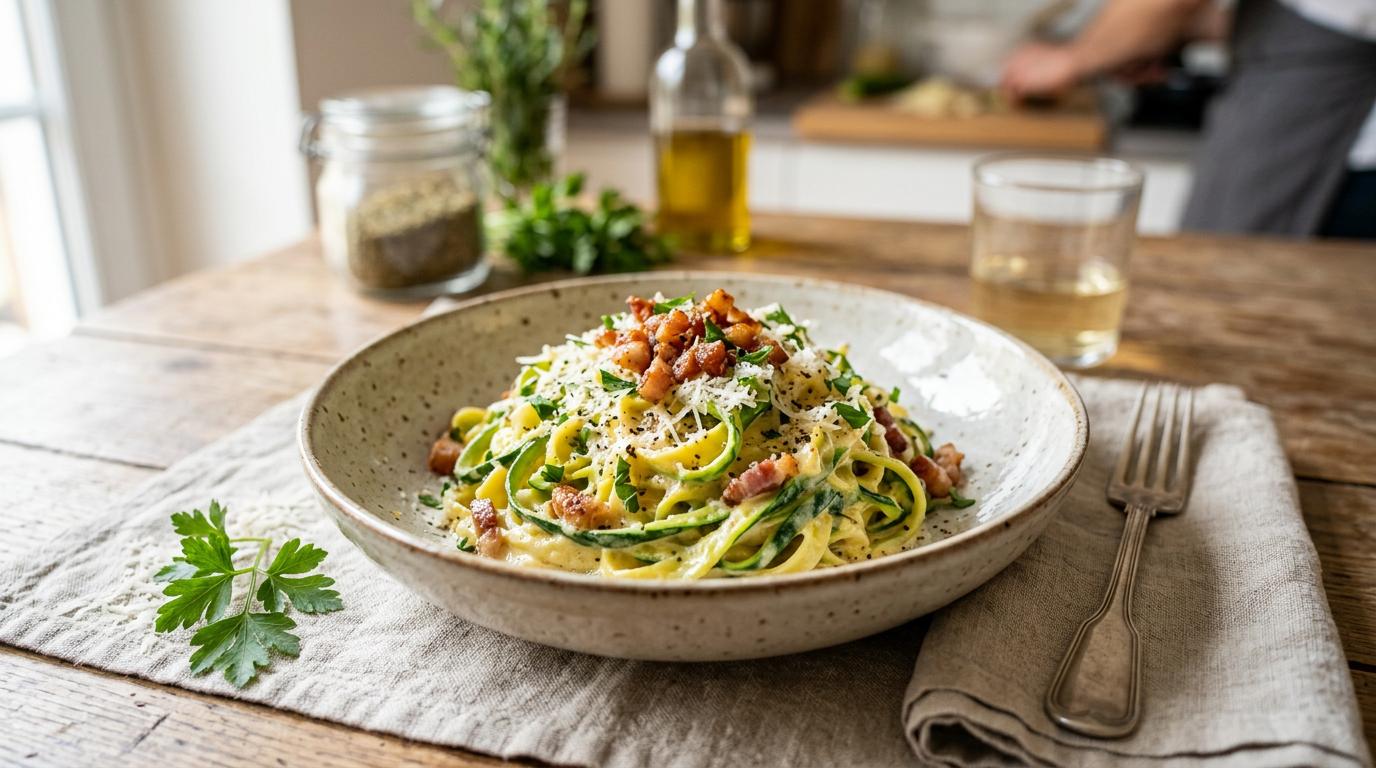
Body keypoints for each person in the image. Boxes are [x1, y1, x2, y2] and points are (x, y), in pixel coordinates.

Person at [1001, 0, 1376, 239]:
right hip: (1314, 96)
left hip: (1343, 152)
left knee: (1241, 284)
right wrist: (1169, 34)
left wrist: (1074, 58)